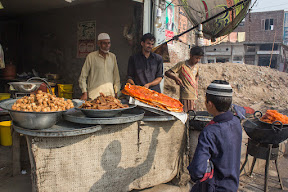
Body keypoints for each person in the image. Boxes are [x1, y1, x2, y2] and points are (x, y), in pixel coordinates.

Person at [187, 80, 242, 192]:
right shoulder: (236, 122)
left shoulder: (209, 132)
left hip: (215, 187)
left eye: (206, 101)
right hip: (232, 185)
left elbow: (197, 170)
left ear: (210, 104)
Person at [79, 33, 120, 100]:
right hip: (94, 97)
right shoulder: (91, 57)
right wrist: (84, 92)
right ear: (98, 44)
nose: (107, 45)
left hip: (110, 97)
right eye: (104, 43)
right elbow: (83, 76)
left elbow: (116, 77)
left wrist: (116, 92)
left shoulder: (113, 57)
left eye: (109, 43)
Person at [165, 46, 204, 112]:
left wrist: (195, 84)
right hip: (185, 97)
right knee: (185, 115)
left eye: (199, 58)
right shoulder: (182, 65)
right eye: (196, 58)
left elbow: (197, 76)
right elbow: (167, 72)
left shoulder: (196, 66)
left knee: (193, 116)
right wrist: (176, 78)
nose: (198, 60)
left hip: (194, 96)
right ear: (191, 56)